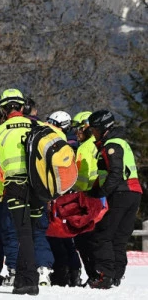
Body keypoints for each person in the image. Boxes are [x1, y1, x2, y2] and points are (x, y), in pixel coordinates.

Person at [0, 88, 40, 295]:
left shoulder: (0, 130)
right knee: (30, 232)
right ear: (24, 107)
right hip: (39, 187)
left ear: (2, 110)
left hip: (15, 185)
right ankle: (22, 280)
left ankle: (30, 281)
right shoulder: (37, 125)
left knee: (23, 233)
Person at [86, 109, 143, 289]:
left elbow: (115, 173)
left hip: (120, 193)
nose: (93, 133)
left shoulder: (112, 145)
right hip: (133, 193)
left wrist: (101, 192)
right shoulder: (120, 141)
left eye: (94, 129)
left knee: (103, 234)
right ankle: (116, 275)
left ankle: (105, 275)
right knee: (119, 236)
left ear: (103, 128)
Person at [44, 111, 82, 287]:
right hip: (68, 192)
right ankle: (73, 272)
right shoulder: (71, 142)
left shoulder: (61, 142)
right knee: (65, 236)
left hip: (60, 193)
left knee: (56, 234)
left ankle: (62, 273)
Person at [71, 111, 97, 284]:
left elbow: (81, 177)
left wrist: (71, 191)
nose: (77, 132)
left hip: (87, 198)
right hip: (99, 196)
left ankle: (94, 275)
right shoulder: (98, 144)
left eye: (79, 128)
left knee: (83, 240)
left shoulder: (84, 148)